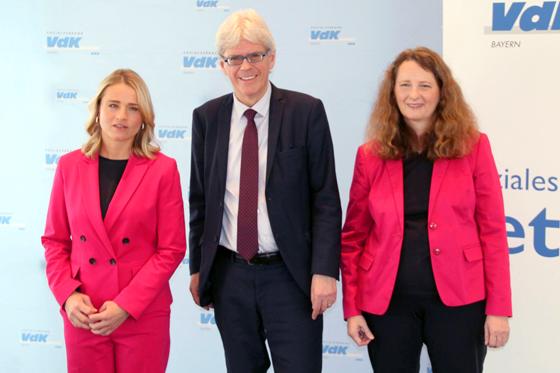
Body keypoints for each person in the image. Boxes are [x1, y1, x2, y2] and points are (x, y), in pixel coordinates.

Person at [340, 47, 512, 373]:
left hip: (460, 301)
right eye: (405, 85)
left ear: (442, 92)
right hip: (387, 305)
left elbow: (492, 230)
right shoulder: (370, 155)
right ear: (392, 93)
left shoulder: (474, 147)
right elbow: (353, 238)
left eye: (424, 85)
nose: (413, 94)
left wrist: (498, 308)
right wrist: (352, 308)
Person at [188, 9, 341, 373]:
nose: (246, 66)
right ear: (222, 65)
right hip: (230, 276)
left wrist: (324, 271)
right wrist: (198, 268)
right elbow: (199, 202)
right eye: (235, 58)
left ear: (272, 58)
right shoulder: (206, 118)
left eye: (255, 55)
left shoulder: (307, 112)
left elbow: (326, 199)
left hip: (291, 276)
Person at [41, 69, 186, 373]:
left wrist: (126, 305)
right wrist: (67, 296)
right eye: (113, 105)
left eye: (133, 108)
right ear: (97, 110)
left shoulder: (163, 169)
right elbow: (54, 241)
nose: (122, 116)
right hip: (85, 313)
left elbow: (171, 249)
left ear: (143, 117)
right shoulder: (69, 166)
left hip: (142, 313)